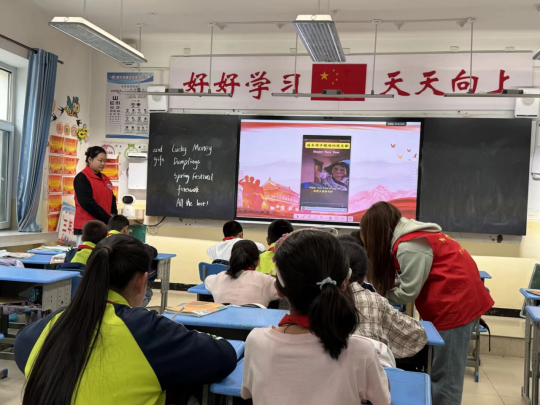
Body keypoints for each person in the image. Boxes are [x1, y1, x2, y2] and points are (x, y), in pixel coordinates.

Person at [15, 235, 237, 405]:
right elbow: (223, 357)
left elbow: (22, 348)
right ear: (141, 281)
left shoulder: (49, 324)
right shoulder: (145, 328)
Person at [361, 202, 494, 406]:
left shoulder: (409, 245)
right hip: (455, 302)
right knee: (441, 371)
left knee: (446, 378)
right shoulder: (413, 236)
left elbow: (407, 292)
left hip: (456, 308)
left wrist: (374, 298)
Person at [241, 230, 391, 405]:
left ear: (279, 290)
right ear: (345, 283)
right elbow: (383, 398)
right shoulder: (361, 351)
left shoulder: (256, 342)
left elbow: (247, 392)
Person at [338, 236, 428, 361]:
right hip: (372, 367)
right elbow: (417, 335)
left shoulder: (317, 299)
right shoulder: (373, 300)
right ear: (363, 277)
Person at [205, 241, 280, 307]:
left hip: (223, 318)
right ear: (257, 261)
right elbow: (284, 289)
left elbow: (207, 279)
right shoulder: (266, 281)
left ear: (231, 260)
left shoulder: (218, 278)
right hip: (253, 319)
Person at [108, 214, 159, 307]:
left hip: (102, 288)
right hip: (123, 288)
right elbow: (152, 251)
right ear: (126, 229)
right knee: (148, 289)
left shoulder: (98, 241)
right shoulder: (129, 242)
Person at [74, 147, 118, 238]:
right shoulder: (82, 178)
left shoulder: (105, 179)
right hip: (88, 228)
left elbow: (112, 199)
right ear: (90, 159)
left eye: (105, 161)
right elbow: (88, 203)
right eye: (100, 160)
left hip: (103, 226)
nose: (103, 164)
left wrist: (114, 216)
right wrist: (108, 219)